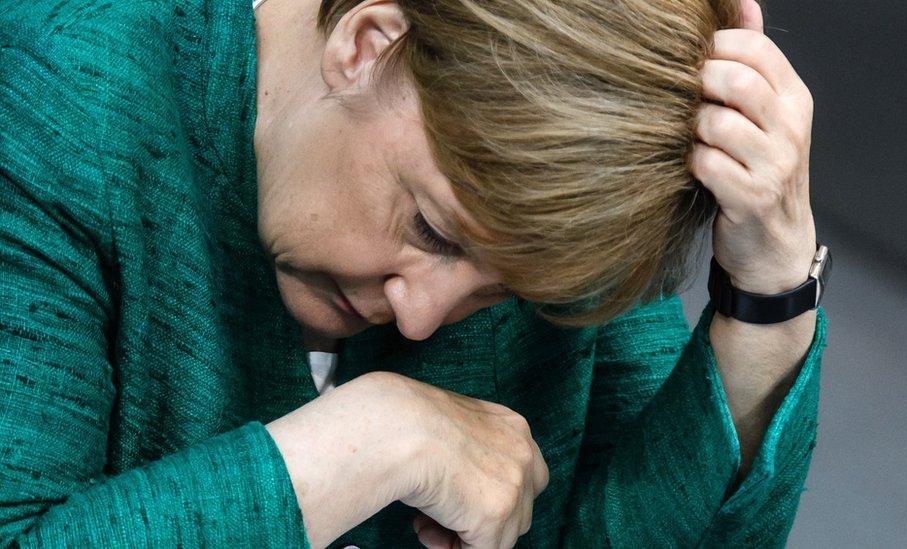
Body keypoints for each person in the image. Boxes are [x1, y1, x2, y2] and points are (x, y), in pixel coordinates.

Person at [0, 0, 829, 546]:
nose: (422, 316)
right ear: (367, 42)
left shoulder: (551, 208)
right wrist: (376, 441)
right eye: (431, 227)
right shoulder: (51, 98)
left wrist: (770, 286)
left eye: (502, 290)